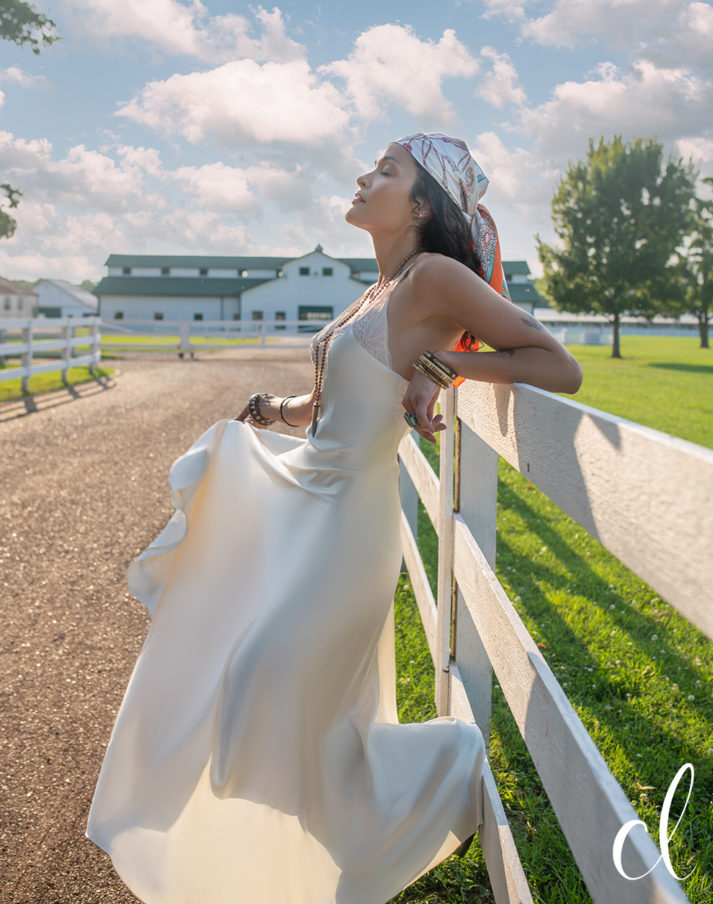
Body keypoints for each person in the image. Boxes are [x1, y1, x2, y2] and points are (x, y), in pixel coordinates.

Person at [86, 133, 583, 904]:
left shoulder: (435, 277)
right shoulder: (377, 288)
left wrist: (446, 366)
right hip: (304, 503)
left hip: (349, 524)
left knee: (259, 685)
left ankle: (443, 768)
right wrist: (278, 411)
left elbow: (557, 362)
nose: (364, 175)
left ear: (422, 206)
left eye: (387, 171)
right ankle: (334, 868)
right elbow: (343, 393)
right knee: (255, 693)